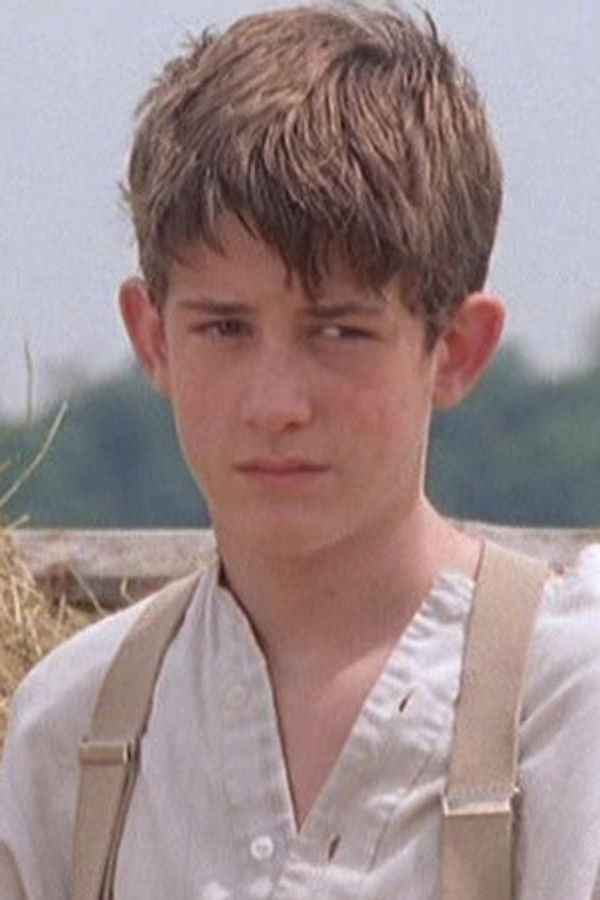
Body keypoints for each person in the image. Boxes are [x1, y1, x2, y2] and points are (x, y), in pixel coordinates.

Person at [1, 3, 600, 898]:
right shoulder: (74, 732)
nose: (276, 405)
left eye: (339, 331)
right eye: (225, 327)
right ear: (153, 337)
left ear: (456, 349)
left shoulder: (568, 705)